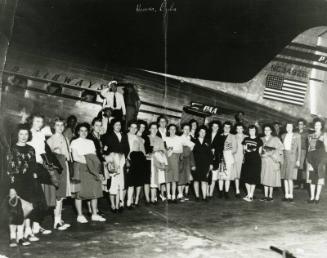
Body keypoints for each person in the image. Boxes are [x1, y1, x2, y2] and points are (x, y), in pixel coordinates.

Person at [7, 124, 47, 246]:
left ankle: (21, 236)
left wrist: (35, 179)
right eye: (21, 134)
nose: (24, 137)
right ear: (17, 135)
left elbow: (34, 167)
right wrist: (12, 187)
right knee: (15, 210)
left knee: (25, 210)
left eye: (26, 134)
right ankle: (12, 237)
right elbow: (9, 170)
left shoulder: (31, 149)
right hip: (16, 183)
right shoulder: (12, 149)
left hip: (29, 184)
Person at [70, 123, 105, 223]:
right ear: (78, 132)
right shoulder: (74, 142)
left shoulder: (91, 142)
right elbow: (76, 157)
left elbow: (94, 156)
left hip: (92, 168)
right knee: (79, 192)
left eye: (85, 131)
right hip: (80, 167)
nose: (84, 133)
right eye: (81, 130)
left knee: (95, 190)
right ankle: (80, 215)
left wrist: (95, 167)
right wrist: (90, 162)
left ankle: (94, 214)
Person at [27, 114, 53, 236]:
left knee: (41, 200)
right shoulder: (28, 134)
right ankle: (28, 230)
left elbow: (42, 152)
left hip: (40, 167)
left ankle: (36, 226)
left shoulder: (41, 134)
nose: (39, 124)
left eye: (41, 122)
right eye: (37, 121)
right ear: (31, 121)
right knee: (32, 199)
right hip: (31, 167)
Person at [46, 118, 72, 230]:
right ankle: (56, 222)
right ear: (53, 127)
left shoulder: (65, 138)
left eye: (62, 125)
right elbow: (47, 157)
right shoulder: (50, 140)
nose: (60, 127)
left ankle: (59, 219)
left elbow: (68, 155)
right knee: (58, 195)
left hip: (64, 167)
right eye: (57, 125)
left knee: (61, 196)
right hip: (56, 169)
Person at [102, 119, 129, 212]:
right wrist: (108, 160)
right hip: (113, 162)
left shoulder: (124, 135)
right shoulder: (108, 136)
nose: (118, 126)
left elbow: (127, 148)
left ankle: (118, 205)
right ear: (112, 126)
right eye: (116, 125)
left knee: (120, 184)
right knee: (112, 184)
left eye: (120, 125)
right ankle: (112, 205)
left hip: (121, 162)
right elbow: (105, 150)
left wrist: (123, 157)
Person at [144, 122, 167, 204]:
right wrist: (151, 152)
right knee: (149, 180)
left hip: (157, 161)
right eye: (152, 128)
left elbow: (163, 151)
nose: (154, 130)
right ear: (149, 129)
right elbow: (145, 151)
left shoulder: (160, 139)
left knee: (156, 180)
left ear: (157, 129)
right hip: (148, 162)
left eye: (155, 128)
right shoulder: (146, 138)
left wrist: (159, 152)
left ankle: (154, 198)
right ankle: (149, 198)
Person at [260, 124, 284, 201]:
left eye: (268, 130)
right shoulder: (261, 139)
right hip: (264, 161)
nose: (266, 131)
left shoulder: (275, 139)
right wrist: (261, 154)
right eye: (265, 130)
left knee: (271, 178)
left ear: (271, 131)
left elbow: (281, 148)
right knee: (264, 177)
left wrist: (271, 154)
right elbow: (259, 150)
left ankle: (270, 195)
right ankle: (265, 195)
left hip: (272, 161)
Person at [126, 121, 146, 208]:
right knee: (126, 183)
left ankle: (132, 201)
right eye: (132, 127)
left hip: (136, 162)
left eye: (135, 128)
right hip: (125, 161)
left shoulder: (139, 139)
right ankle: (124, 202)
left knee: (134, 182)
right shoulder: (124, 136)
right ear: (129, 128)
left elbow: (143, 152)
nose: (134, 129)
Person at [306, 118, 327, 204]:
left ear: (321, 126)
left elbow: (326, 148)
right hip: (311, 158)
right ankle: (312, 197)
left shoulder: (324, 135)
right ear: (314, 126)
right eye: (315, 125)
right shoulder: (310, 136)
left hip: (321, 158)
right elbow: (309, 148)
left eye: (318, 125)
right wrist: (307, 159)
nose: (317, 126)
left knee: (319, 178)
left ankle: (317, 197)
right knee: (312, 178)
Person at [241, 125, 263, 202]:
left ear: (255, 131)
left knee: (253, 178)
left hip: (255, 161)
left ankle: (251, 195)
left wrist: (252, 151)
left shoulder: (259, 140)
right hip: (247, 161)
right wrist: (247, 150)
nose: (251, 132)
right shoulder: (246, 139)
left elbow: (260, 152)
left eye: (253, 130)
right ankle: (248, 194)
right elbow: (244, 150)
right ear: (248, 131)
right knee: (246, 178)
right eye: (250, 130)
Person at [281, 122, 301, 202]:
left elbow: (299, 149)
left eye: (290, 126)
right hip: (284, 157)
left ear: (293, 127)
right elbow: (282, 148)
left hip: (292, 157)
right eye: (287, 126)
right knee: (285, 177)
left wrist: (298, 160)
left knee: (290, 177)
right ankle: (286, 195)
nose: (288, 128)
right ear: (286, 127)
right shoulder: (283, 136)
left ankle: (291, 195)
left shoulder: (297, 136)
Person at [192, 126, 213, 201]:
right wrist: (192, 164)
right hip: (196, 164)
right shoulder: (193, 141)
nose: (202, 133)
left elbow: (210, 154)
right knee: (196, 180)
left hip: (205, 164)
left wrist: (211, 164)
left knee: (204, 180)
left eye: (204, 132)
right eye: (201, 131)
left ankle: (204, 197)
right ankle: (197, 196)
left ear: (206, 133)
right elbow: (191, 154)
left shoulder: (208, 141)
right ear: (198, 132)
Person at [217, 121, 237, 200]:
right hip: (220, 158)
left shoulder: (232, 136)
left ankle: (226, 192)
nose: (227, 128)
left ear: (230, 128)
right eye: (225, 127)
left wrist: (227, 153)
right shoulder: (220, 136)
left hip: (228, 158)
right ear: (223, 128)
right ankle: (220, 192)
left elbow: (235, 148)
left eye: (228, 127)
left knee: (227, 176)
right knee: (221, 176)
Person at [165, 124, 183, 202]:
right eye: (171, 129)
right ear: (168, 130)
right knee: (168, 178)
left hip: (175, 159)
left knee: (174, 179)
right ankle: (168, 196)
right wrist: (167, 152)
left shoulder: (179, 138)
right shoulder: (165, 139)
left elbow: (181, 150)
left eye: (174, 129)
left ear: (176, 130)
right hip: (167, 159)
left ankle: (173, 196)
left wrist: (173, 151)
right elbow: (163, 149)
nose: (172, 131)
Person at [178, 123, 195, 201]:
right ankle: (180, 194)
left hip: (188, 159)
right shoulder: (180, 138)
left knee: (186, 177)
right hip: (181, 159)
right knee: (181, 177)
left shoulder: (189, 138)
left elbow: (191, 150)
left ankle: (182, 194)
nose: (187, 131)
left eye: (188, 129)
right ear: (182, 130)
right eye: (185, 129)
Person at [207, 120, 221, 198]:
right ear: (211, 127)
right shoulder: (207, 135)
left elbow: (221, 148)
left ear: (218, 128)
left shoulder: (220, 136)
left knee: (214, 176)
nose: (215, 128)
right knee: (207, 175)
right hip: (207, 158)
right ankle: (206, 191)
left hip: (215, 158)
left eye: (216, 126)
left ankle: (211, 193)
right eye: (213, 126)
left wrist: (215, 150)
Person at [233, 123, 247, 198]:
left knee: (245, 175)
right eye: (237, 128)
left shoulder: (246, 137)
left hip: (245, 158)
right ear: (236, 129)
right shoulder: (233, 137)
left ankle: (247, 191)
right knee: (236, 175)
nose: (239, 130)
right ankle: (237, 191)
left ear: (243, 129)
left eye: (240, 128)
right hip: (236, 158)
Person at [296, 119, 308, 189]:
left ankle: (302, 184)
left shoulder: (306, 133)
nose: (300, 125)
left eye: (301, 124)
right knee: (296, 166)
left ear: (304, 125)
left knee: (301, 166)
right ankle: (297, 183)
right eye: (299, 124)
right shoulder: (296, 132)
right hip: (296, 151)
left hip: (303, 150)